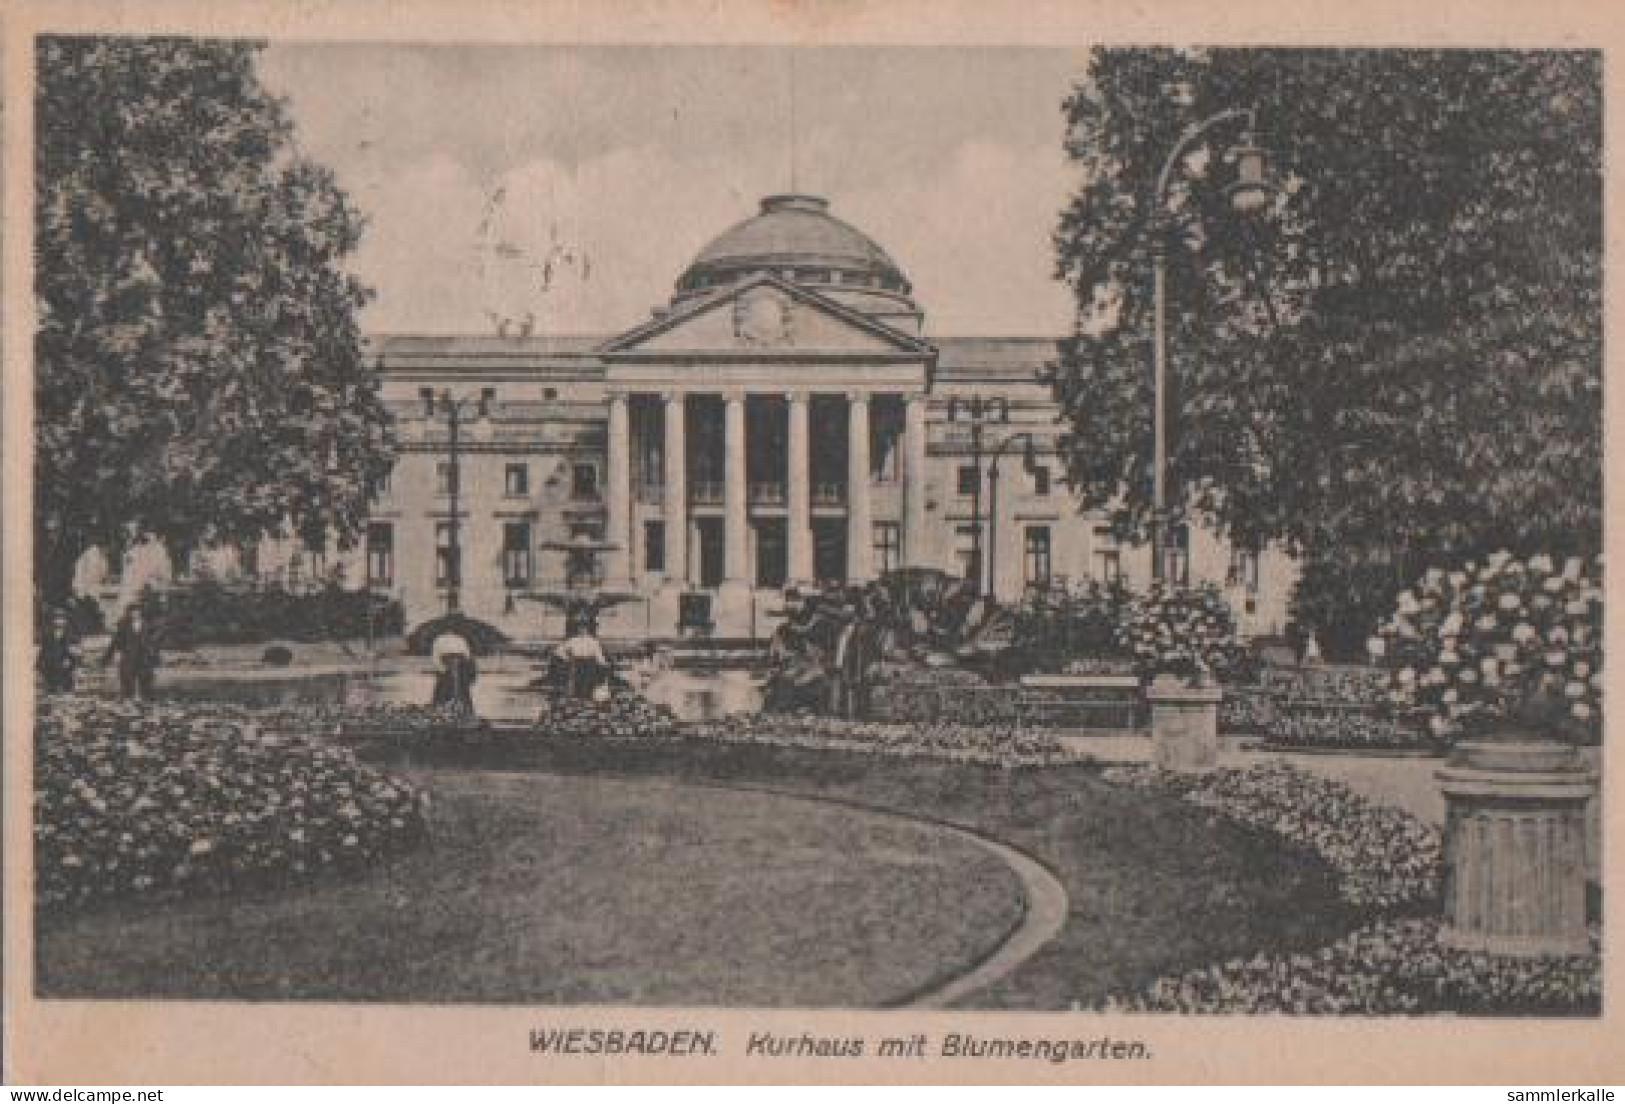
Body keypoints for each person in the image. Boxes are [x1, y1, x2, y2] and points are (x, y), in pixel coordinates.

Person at [104, 605, 159, 700]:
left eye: (137, 612)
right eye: (133, 612)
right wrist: (108, 656)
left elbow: (152, 641)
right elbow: (116, 641)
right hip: (129, 654)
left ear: (141, 612)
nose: (135, 614)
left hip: (144, 655)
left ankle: (145, 696)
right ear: (129, 613)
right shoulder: (124, 625)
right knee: (127, 675)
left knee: (145, 676)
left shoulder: (148, 625)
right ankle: (128, 696)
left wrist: (153, 653)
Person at [556, 617, 611, 700]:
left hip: (589, 664)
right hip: (576, 663)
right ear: (578, 629)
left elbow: (598, 654)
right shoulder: (572, 641)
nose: (582, 630)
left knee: (588, 683)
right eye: (580, 628)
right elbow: (559, 651)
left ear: (587, 630)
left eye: (584, 628)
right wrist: (567, 658)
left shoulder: (593, 642)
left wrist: (604, 664)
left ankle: (586, 701)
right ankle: (574, 701)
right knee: (575, 683)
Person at [430, 632, 478, 714]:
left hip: (456, 664)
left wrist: (440, 668)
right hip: (454, 663)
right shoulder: (460, 639)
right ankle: (460, 710)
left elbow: (435, 655)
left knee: (457, 688)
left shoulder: (441, 639)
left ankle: (459, 710)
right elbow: (467, 655)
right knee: (451, 688)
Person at [36, 609, 80, 693]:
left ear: (65, 621)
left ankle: (65, 684)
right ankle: (52, 684)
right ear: (52, 622)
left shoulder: (70, 635)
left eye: (61, 619)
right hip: (51, 664)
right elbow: (43, 651)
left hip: (65, 664)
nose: (58, 621)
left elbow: (74, 651)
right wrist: (41, 663)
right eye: (56, 619)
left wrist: (70, 659)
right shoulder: (47, 636)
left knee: (68, 669)